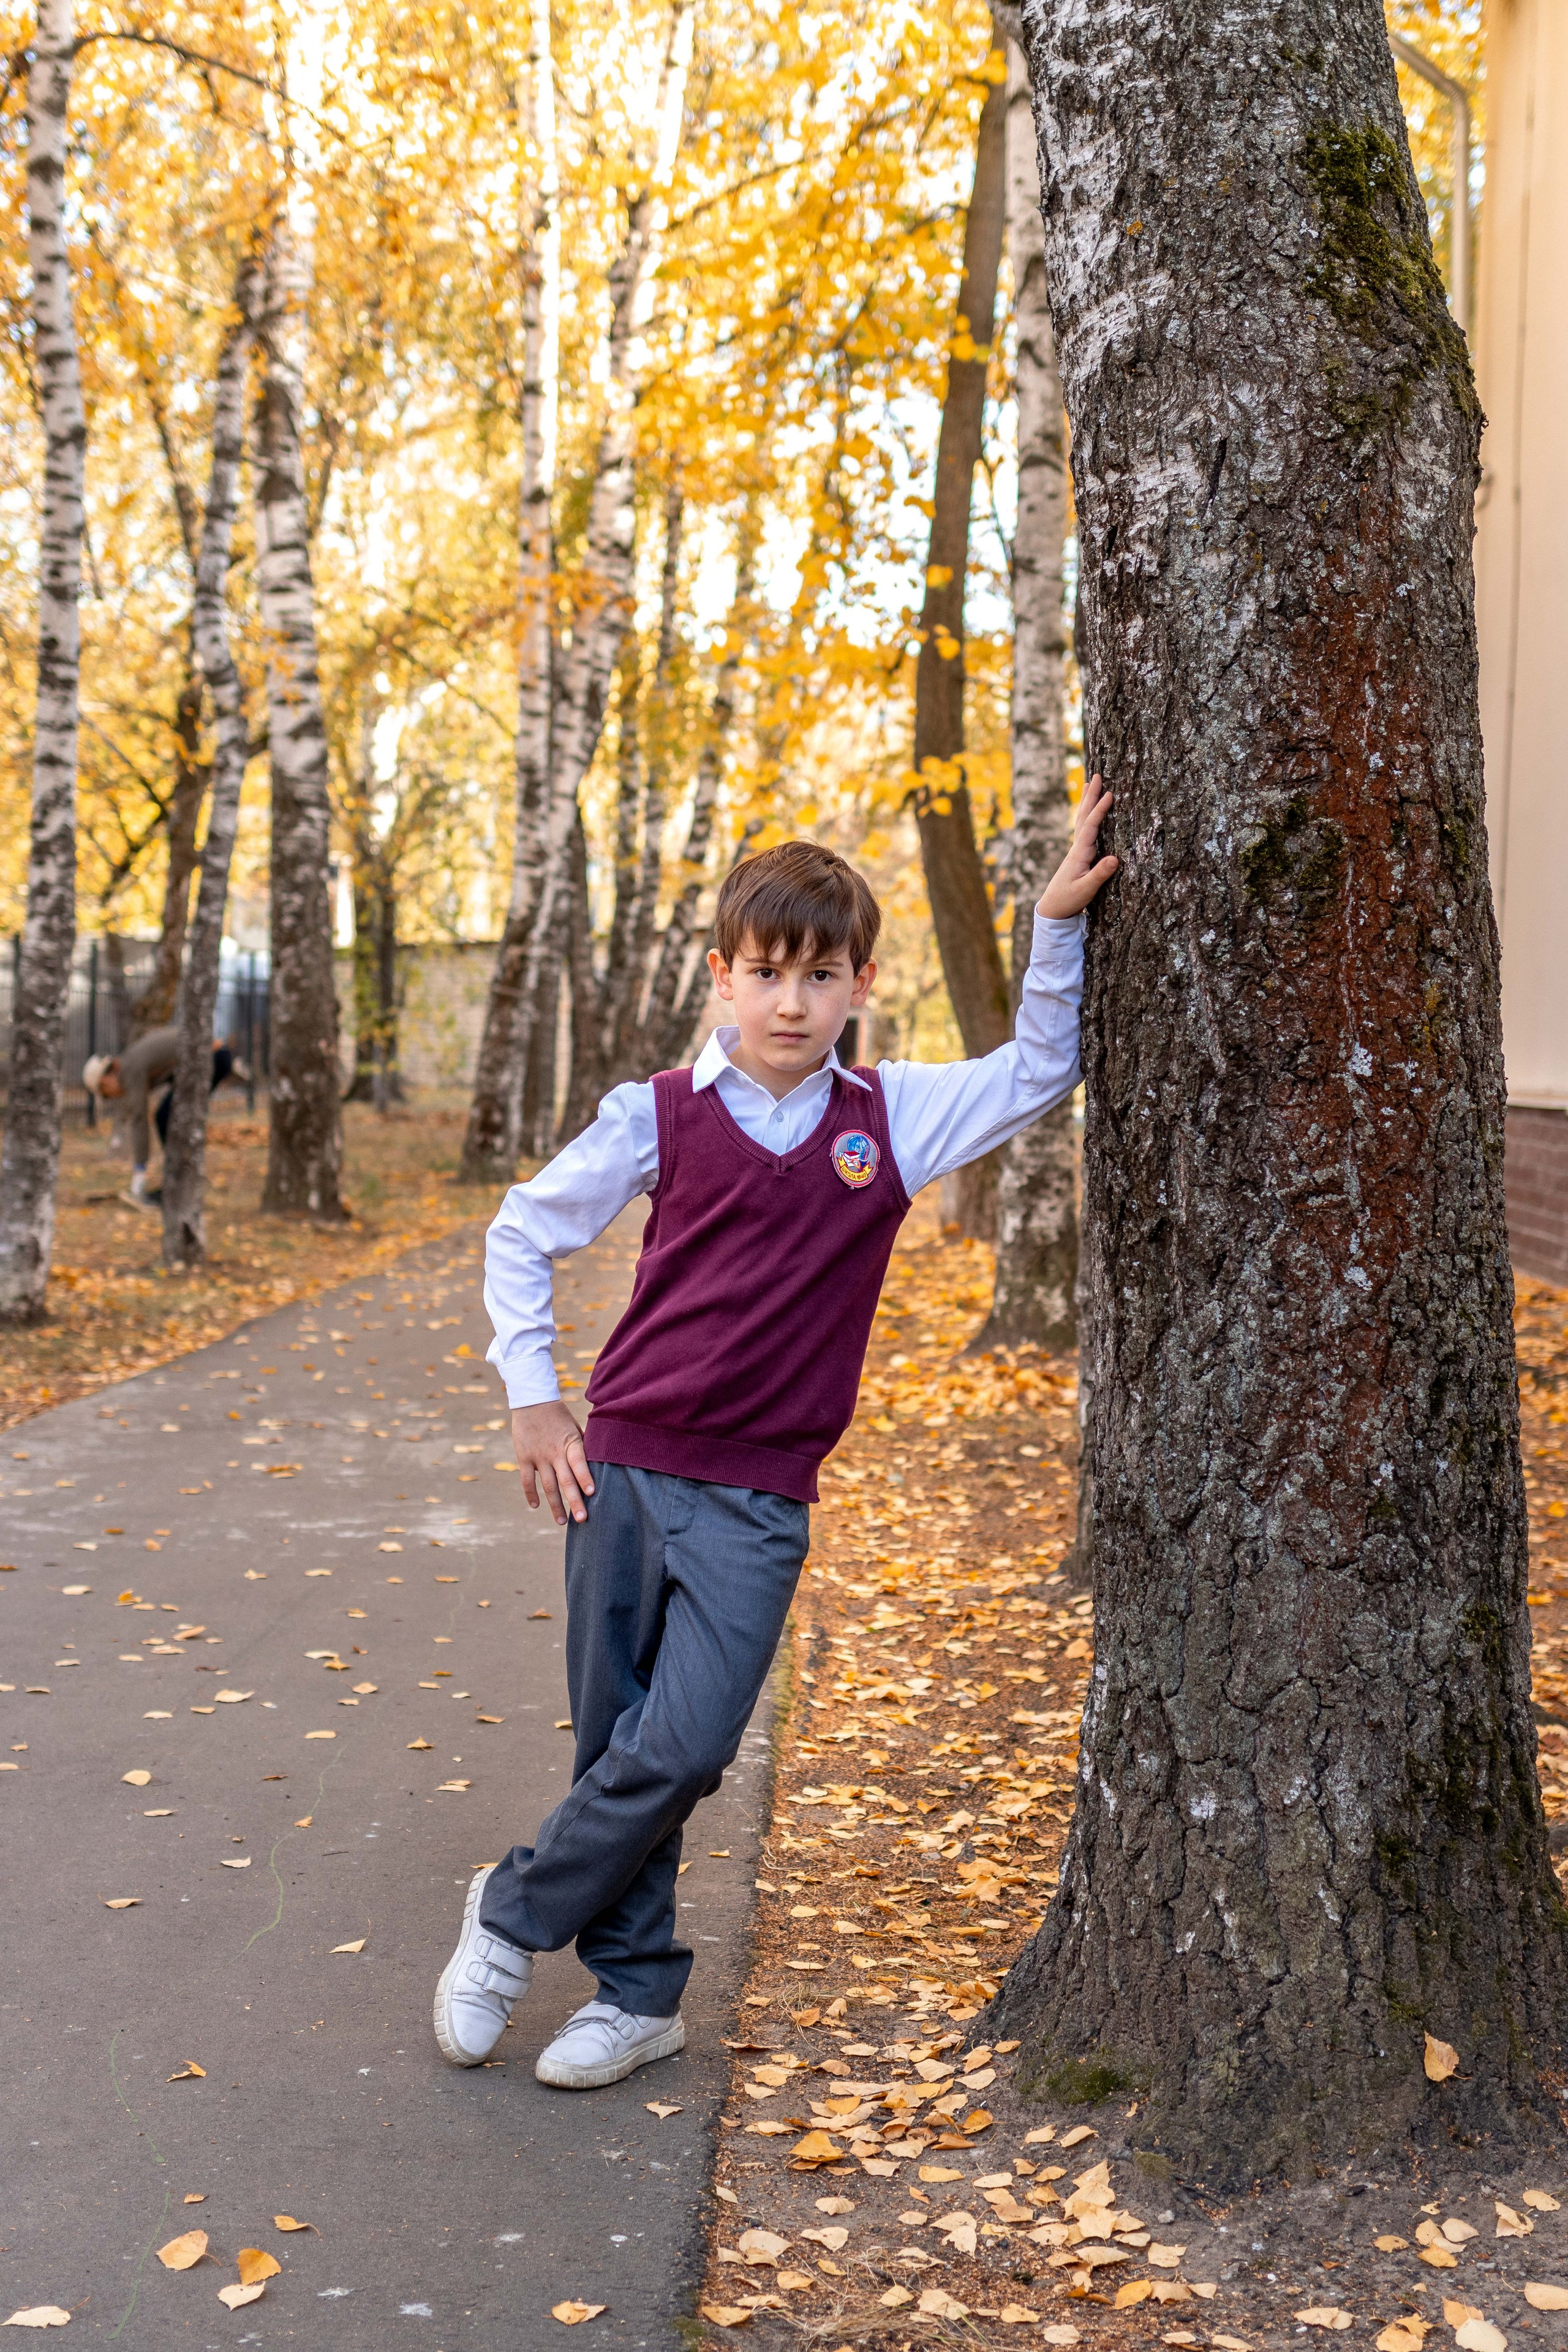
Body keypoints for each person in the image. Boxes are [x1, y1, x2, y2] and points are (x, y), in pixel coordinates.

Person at [435, 781, 1118, 2090]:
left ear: (860, 981)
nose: (790, 1002)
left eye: (818, 976)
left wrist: (1050, 927)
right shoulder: (657, 1113)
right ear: (722, 980)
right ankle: (636, 1998)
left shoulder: (890, 1120)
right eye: (765, 974)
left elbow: (1040, 1070)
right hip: (621, 1470)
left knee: (684, 1744)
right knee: (616, 1742)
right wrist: (534, 1396)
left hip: (757, 1495)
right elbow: (521, 1231)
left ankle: (514, 1909)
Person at [83, 1031, 246, 1209]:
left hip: (213, 1059)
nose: (111, 1097)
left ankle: (180, 1187)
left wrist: (139, 1173)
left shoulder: (129, 1070)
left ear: (107, 1078)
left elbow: (139, 1120)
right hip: (213, 1057)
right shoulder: (130, 1063)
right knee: (167, 1117)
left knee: (167, 1117)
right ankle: (179, 1184)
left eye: (106, 1093)